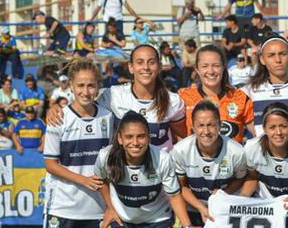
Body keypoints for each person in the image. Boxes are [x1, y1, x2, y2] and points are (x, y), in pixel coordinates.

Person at [94, 111, 203, 228]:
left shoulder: (162, 159)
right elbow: (101, 181)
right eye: (129, 137)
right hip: (123, 219)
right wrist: (111, 208)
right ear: (120, 138)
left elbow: (174, 195)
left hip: (156, 219)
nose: (135, 142)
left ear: (148, 138)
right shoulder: (105, 156)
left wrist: (187, 226)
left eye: (141, 136)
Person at [40, 59, 113, 228]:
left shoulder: (107, 118)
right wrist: (84, 180)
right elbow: (50, 164)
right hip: (63, 204)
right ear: (70, 85)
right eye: (80, 85)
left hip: (95, 206)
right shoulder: (58, 118)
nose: (85, 91)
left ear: (98, 86)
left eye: (91, 85)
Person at [48, 44, 187, 152]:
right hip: (124, 180)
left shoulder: (173, 101)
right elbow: (83, 102)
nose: (146, 67)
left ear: (159, 66)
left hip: (160, 182)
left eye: (151, 62)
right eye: (140, 62)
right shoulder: (112, 95)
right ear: (131, 67)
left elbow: (184, 137)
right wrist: (56, 108)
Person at [171, 101, 247, 228]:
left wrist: (223, 194)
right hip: (194, 209)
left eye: (211, 124)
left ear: (220, 125)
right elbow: (181, 187)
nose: (206, 131)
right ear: (193, 126)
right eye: (201, 125)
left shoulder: (236, 151)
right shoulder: (180, 150)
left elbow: (242, 180)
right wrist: (200, 207)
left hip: (223, 212)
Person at [178, 44, 254, 143]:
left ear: (223, 67)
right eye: (205, 66)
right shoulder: (183, 97)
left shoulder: (240, 97)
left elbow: (258, 133)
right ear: (197, 69)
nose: (211, 71)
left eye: (216, 66)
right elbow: (176, 138)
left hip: (232, 157)